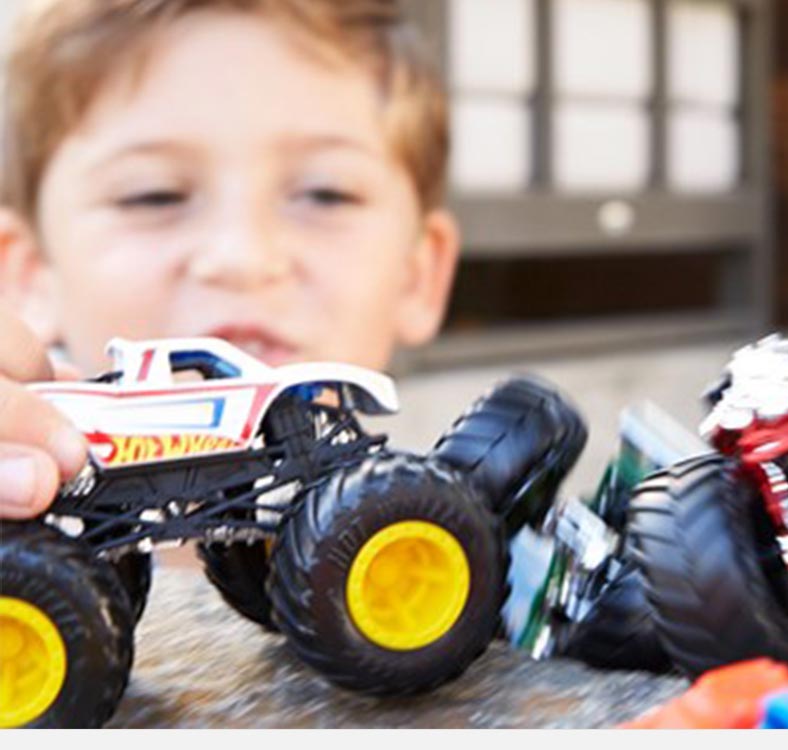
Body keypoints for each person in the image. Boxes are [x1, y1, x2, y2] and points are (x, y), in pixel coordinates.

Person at [0, 0, 459, 518]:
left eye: (325, 193)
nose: (242, 258)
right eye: (155, 195)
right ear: (27, 274)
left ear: (418, 275)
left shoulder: (465, 539)